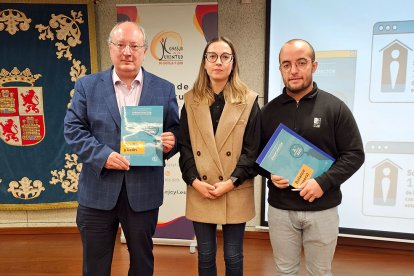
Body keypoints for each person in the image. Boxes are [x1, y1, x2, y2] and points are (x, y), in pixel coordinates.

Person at [64, 21, 179, 276]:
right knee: (95, 264)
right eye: (121, 45)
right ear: (110, 48)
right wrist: (103, 156)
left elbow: (176, 130)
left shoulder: (164, 88)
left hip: (143, 193)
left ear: (144, 50)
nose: (127, 51)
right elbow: (73, 130)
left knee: (142, 262)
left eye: (134, 45)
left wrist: (170, 142)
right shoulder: (87, 86)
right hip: (97, 191)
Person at [258, 39, 365, 276]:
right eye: (286, 65)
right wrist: (270, 174)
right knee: (285, 271)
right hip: (281, 210)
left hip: (323, 208)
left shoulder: (335, 107)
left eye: (301, 63)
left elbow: (355, 154)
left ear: (314, 66)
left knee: (320, 272)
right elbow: (256, 157)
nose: (293, 70)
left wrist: (322, 183)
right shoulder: (267, 112)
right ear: (280, 70)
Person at [179, 36, 261, 276]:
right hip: (200, 187)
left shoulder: (249, 100)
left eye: (225, 57)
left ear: (233, 63)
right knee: (205, 254)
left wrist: (231, 182)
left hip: (234, 187)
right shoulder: (190, 100)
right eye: (212, 56)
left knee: (233, 254)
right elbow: (185, 146)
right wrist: (194, 181)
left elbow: (252, 151)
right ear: (204, 63)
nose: (218, 62)